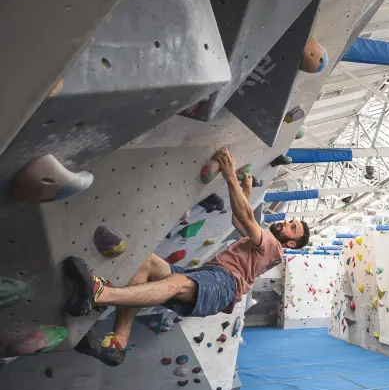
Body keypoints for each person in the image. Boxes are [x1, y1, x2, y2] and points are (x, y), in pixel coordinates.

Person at [66, 148, 309, 366]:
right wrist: (245, 191)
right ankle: (117, 343)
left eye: (293, 228)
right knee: (147, 263)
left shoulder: (274, 247)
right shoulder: (264, 246)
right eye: (291, 221)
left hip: (225, 283)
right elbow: (239, 220)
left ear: (290, 243)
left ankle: (98, 294)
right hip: (211, 275)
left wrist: (230, 176)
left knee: (177, 283)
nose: (287, 223)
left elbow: (246, 219)